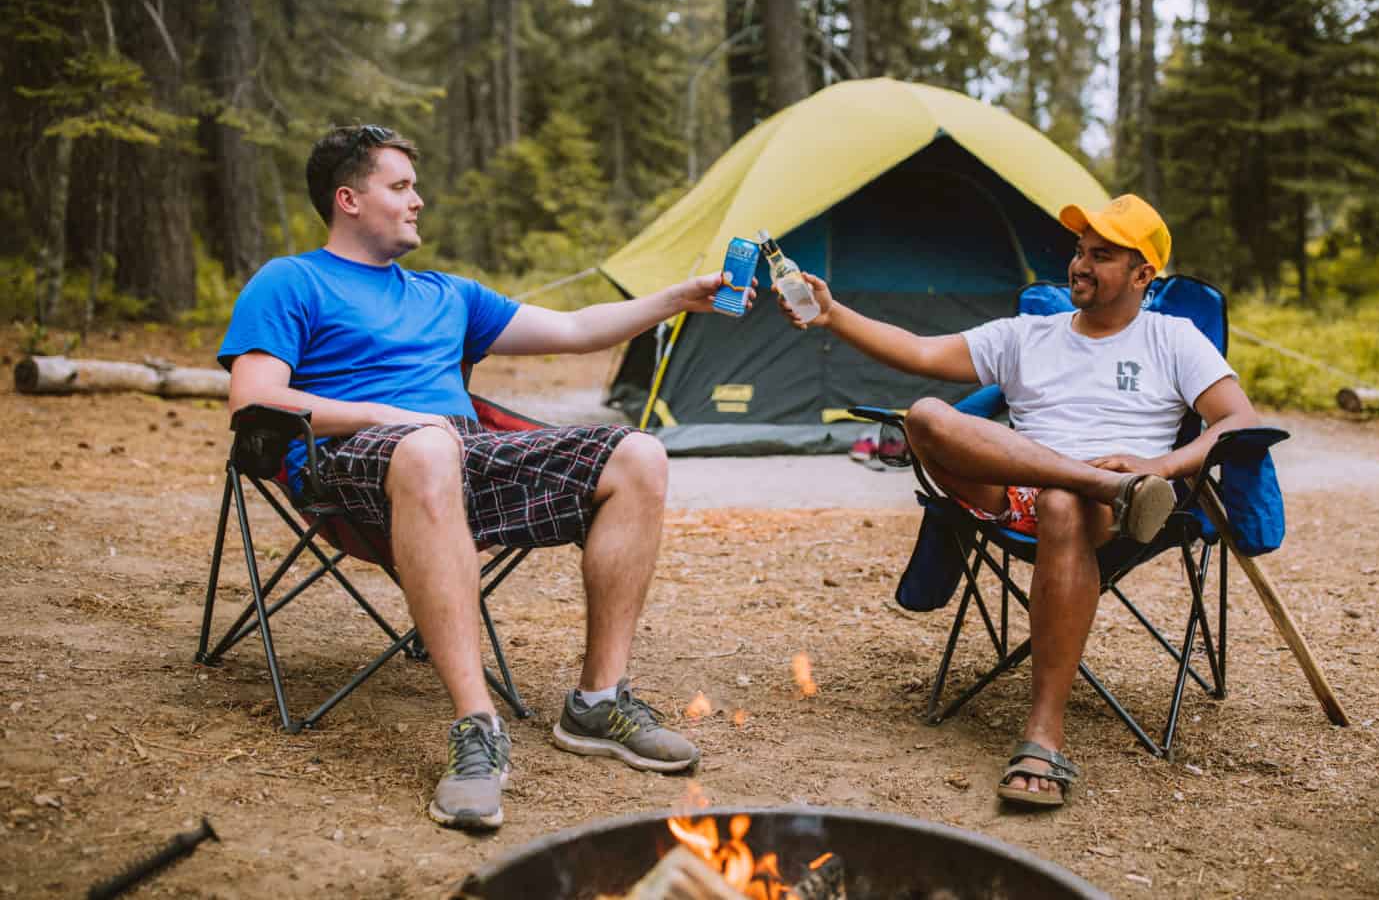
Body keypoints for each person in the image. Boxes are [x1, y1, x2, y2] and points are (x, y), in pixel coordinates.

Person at [219, 124, 749, 831]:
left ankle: (598, 702)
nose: (418, 201)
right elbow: (255, 398)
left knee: (639, 454)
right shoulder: (291, 280)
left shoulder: (447, 295)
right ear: (348, 199)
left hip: (460, 456)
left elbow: (576, 328)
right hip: (346, 463)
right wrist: (394, 417)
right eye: (400, 186)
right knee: (430, 448)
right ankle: (476, 726)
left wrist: (677, 298)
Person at [773, 193, 1258, 809]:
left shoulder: (1174, 339)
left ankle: (1043, 733)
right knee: (925, 414)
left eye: (1101, 256)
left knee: (1062, 503)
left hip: (1124, 504)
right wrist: (834, 314)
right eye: (1080, 252)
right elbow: (920, 353)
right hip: (1035, 493)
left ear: (1143, 275)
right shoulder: (1028, 335)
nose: (1080, 265)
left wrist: (1158, 466)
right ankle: (1091, 482)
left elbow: (1236, 423)